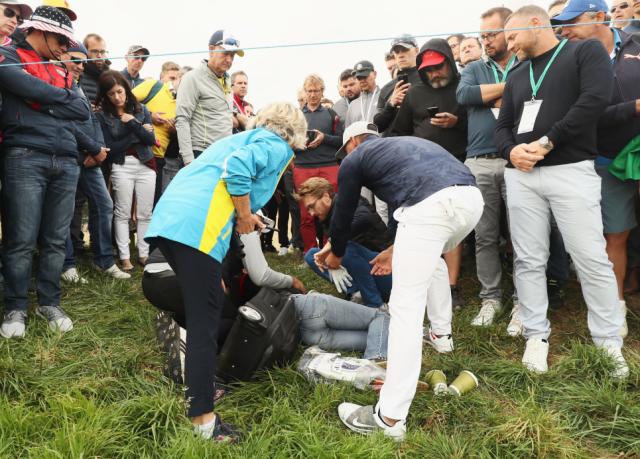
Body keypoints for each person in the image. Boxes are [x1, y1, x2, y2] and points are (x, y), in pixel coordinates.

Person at [145, 102, 307, 442]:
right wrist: (246, 217)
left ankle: (183, 351)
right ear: (293, 130)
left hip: (170, 221)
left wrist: (244, 218)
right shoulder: (274, 144)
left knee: (207, 307)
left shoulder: (240, 138)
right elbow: (237, 171)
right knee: (206, 323)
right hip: (196, 230)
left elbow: (217, 180)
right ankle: (204, 421)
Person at [325, 122, 482, 441]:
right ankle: (442, 334)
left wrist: (336, 254)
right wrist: (393, 251)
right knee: (433, 261)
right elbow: (413, 208)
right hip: (470, 201)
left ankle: (390, 418)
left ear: (354, 141)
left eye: (346, 150)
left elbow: (343, 211)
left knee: (404, 310)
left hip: (431, 207)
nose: (346, 157)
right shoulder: (406, 146)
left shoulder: (358, 158)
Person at [496, 5, 628, 378]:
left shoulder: (582, 51)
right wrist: (511, 151)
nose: (510, 45)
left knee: (590, 257)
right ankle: (536, 336)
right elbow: (504, 125)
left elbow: (594, 100)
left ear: (537, 23)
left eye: (513, 36)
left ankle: (608, 344)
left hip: (570, 169)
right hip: (521, 175)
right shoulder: (518, 71)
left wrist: (549, 141)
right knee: (528, 259)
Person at [0, 6, 90, 338]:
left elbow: (82, 110)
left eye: (68, 42)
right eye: (61, 40)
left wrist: (41, 98)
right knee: (20, 239)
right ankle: (15, 307)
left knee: (55, 238)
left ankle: (49, 302)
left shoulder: (62, 69)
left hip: (66, 160)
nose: (66, 47)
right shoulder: (6, 54)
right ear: (39, 31)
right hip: (24, 155)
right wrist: (59, 99)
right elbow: (16, 82)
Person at [554, 0, 640, 338]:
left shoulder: (636, 43)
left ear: (600, 17)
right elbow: (582, 116)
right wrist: (631, 108)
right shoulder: (571, 63)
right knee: (615, 234)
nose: (565, 30)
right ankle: (615, 307)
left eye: (572, 21)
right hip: (606, 158)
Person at [390, 38, 468, 308]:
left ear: (449, 61)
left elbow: (479, 126)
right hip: (422, 170)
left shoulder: (464, 87)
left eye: (439, 67)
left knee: (451, 227)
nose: (434, 74)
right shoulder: (414, 93)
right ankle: (423, 285)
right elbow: (399, 131)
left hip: (458, 166)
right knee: (423, 229)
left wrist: (457, 123)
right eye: (428, 69)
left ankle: (452, 286)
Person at [59, 44, 131, 283]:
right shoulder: (56, 84)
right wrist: (93, 149)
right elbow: (66, 125)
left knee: (104, 204)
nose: (80, 66)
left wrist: (100, 151)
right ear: (60, 58)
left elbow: (93, 122)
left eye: (82, 62)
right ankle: (67, 265)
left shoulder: (78, 86)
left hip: (91, 159)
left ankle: (104, 261)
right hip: (69, 156)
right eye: (75, 60)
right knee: (66, 211)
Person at [296, 177, 393, 310]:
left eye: (312, 206)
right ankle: (356, 292)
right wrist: (330, 261)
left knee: (344, 247)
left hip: (386, 272)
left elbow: (364, 218)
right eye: (308, 209)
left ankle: (376, 305)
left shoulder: (349, 201)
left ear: (325, 196)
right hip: (367, 270)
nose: (311, 213)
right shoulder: (327, 216)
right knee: (312, 256)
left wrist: (333, 243)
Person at [96, 70, 156, 271]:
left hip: (146, 164)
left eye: (120, 92)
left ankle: (144, 254)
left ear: (126, 89)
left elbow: (151, 140)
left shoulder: (142, 109)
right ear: (106, 95)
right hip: (121, 165)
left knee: (145, 213)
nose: (117, 97)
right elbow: (111, 148)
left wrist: (131, 122)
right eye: (111, 94)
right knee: (121, 212)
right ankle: (124, 256)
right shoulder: (103, 116)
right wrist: (137, 131)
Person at [176, 30, 243, 166]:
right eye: (225, 53)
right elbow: (182, 119)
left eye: (232, 55)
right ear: (211, 50)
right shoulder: (192, 78)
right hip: (201, 154)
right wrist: (189, 161)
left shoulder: (227, 80)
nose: (229, 59)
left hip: (224, 155)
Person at [293, 74, 344, 252]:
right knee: (306, 213)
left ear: (322, 92)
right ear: (304, 92)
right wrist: (302, 143)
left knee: (329, 209)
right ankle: (310, 252)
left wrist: (324, 138)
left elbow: (342, 140)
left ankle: (328, 249)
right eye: (309, 91)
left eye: (316, 91)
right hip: (303, 167)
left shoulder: (331, 114)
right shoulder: (296, 116)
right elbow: (288, 143)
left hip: (329, 165)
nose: (313, 94)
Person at [132, 61, 182, 202]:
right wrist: (150, 115)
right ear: (162, 77)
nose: (174, 82)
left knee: (150, 206)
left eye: (176, 78)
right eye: (172, 78)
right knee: (125, 206)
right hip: (135, 150)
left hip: (158, 157)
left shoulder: (181, 102)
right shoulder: (153, 85)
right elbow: (125, 101)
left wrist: (174, 130)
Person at [374, 34, 421, 135]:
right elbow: (377, 127)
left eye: (405, 50)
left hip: (419, 145)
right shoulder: (386, 89)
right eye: (397, 52)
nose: (400, 55)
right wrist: (391, 104)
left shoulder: (427, 80)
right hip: (392, 146)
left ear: (416, 51)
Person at [345, 60, 380, 127]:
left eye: (365, 76)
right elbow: (348, 132)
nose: (362, 80)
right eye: (359, 78)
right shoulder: (353, 105)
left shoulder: (385, 97)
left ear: (375, 74)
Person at [79, 33, 110, 107]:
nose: (99, 56)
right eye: (95, 51)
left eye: (102, 52)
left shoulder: (111, 77)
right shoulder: (77, 74)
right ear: (85, 51)